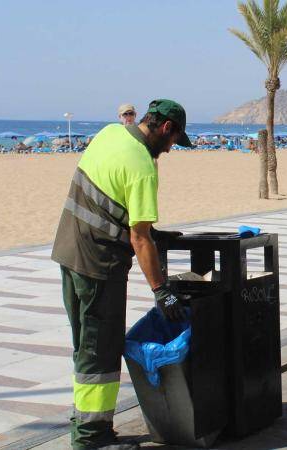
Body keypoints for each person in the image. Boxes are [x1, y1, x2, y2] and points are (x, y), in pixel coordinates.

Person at [51, 99, 194, 449]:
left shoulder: (109, 134)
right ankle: (91, 438)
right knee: (99, 351)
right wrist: (162, 289)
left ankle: (82, 422)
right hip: (99, 266)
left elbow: (107, 201)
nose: (172, 148)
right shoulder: (143, 165)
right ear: (165, 129)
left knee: (84, 345)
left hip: (69, 253)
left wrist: (153, 235)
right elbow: (139, 236)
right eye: (175, 140)